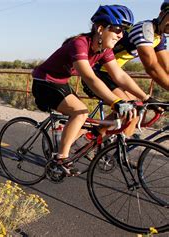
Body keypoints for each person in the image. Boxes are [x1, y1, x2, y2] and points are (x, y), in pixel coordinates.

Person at [31, 5, 137, 176]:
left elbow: (120, 76)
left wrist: (144, 97)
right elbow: (90, 77)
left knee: (82, 116)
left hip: (60, 82)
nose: (121, 35)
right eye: (117, 29)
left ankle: (64, 137)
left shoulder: (104, 50)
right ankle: (61, 158)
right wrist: (116, 102)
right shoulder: (79, 43)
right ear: (100, 28)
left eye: (124, 31)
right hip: (43, 81)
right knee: (80, 112)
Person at [81, 1, 168, 135]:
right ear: (162, 14)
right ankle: (102, 142)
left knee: (137, 108)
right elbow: (152, 67)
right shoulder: (145, 30)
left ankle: (98, 136)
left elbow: (166, 66)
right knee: (130, 111)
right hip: (97, 72)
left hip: (112, 74)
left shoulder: (159, 37)